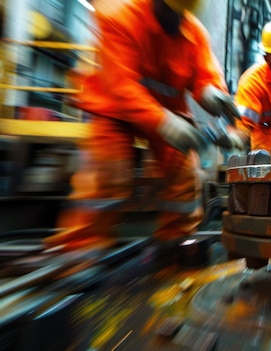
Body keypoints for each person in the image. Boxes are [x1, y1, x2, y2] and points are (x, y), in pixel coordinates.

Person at [43, 0, 244, 255]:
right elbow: (121, 88)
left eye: (180, 16)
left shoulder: (192, 31)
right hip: (114, 109)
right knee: (107, 174)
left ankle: (176, 239)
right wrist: (164, 123)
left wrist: (210, 90)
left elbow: (205, 72)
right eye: (170, 13)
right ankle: (82, 248)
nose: (174, 21)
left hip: (166, 111)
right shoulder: (121, 17)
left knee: (182, 176)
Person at [234, 20, 271, 152]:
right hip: (266, 153)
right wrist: (236, 139)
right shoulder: (253, 82)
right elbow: (244, 125)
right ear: (266, 57)